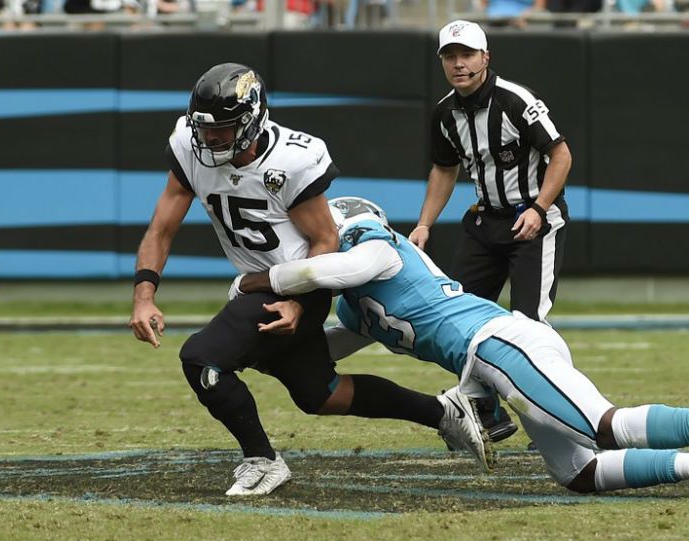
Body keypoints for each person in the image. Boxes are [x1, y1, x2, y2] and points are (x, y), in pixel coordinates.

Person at [232, 197, 689, 498]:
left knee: (602, 426)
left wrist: (261, 281)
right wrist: (267, 349)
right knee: (578, 472)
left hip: (501, 343)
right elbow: (331, 347)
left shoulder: (381, 252)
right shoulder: (356, 305)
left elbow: (346, 262)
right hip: (496, 360)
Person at [128, 65, 490, 497]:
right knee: (321, 394)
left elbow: (326, 240)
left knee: (202, 360)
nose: (210, 140)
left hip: (303, 281)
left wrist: (299, 302)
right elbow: (161, 228)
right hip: (257, 281)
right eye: (204, 129)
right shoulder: (190, 147)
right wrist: (144, 296)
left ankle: (261, 460)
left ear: (252, 120)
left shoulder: (291, 160)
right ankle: (443, 412)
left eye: (223, 130)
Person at [410, 20, 574, 446]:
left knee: (528, 326)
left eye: (467, 55)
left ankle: (564, 418)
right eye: (450, 56)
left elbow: (561, 154)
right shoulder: (446, 112)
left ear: (486, 57)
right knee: (454, 322)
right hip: (486, 222)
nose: (459, 64)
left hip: (533, 221)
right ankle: (488, 411)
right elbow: (444, 169)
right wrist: (424, 224)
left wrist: (539, 208)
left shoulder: (515, 100)